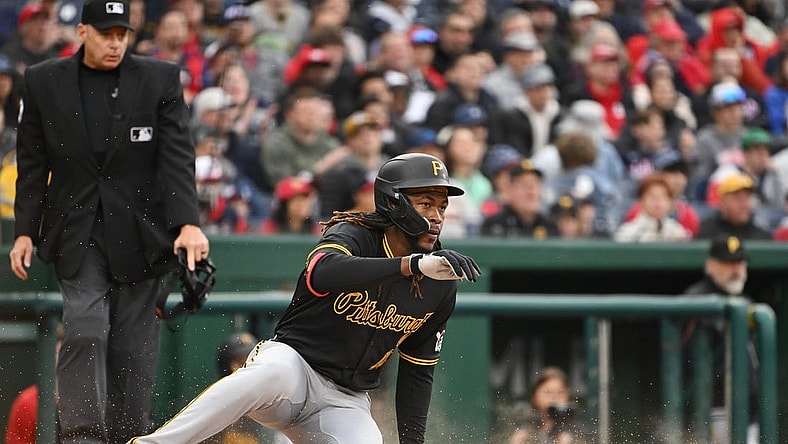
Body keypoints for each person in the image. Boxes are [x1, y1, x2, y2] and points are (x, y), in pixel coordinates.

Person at [128, 152, 481, 444]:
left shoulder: (440, 281)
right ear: (394, 203)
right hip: (294, 367)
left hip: (345, 401)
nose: (436, 216)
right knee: (265, 375)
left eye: (442, 206)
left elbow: (417, 374)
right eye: (425, 202)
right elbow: (322, 273)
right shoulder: (356, 232)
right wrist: (410, 265)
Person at [8, 1, 210, 442]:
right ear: (82, 32)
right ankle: (81, 435)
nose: (116, 42)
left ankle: (129, 436)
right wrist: (24, 230)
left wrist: (187, 223)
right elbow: (31, 161)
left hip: (142, 233)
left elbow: (177, 156)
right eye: (106, 33)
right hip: (76, 228)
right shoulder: (42, 80)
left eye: (122, 33)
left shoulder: (159, 78)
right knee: (85, 326)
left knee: (132, 349)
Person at [508, 366, 593, 444]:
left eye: (560, 392)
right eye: (548, 392)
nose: (554, 397)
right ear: (535, 396)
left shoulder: (577, 426)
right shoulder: (526, 425)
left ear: (568, 395)